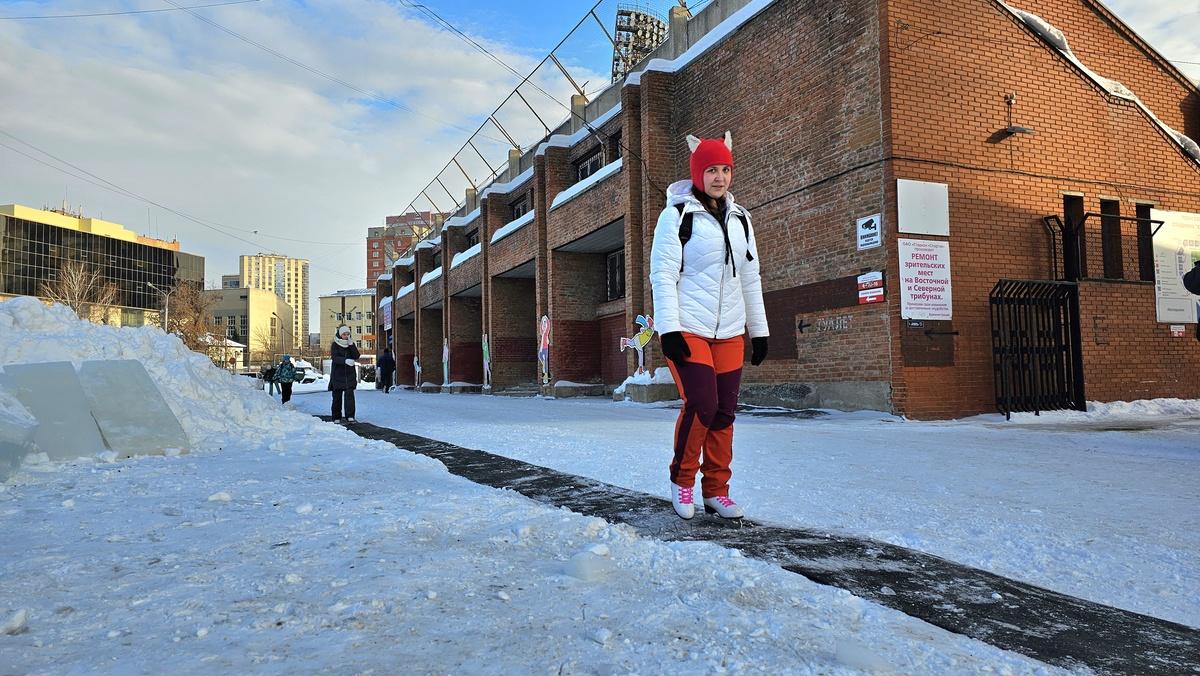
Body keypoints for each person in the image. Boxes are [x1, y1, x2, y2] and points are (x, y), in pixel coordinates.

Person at [649, 131, 769, 521]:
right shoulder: (676, 216)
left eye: (725, 169)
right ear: (698, 173)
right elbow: (662, 275)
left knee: (725, 412)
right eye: (712, 170)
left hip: (730, 331)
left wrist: (759, 329)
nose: (719, 177)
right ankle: (682, 481)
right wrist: (668, 329)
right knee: (702, 404)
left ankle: (716, 490)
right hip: (688, 327)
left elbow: (749, 278)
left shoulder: (741, 219)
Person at [330, 325, 360, 422]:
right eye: (344, 334)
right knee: (337, 398)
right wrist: (345, 360)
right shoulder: (335, 344)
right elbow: (335, 358)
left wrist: (352, 345)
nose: (346, 336)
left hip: (349, 375)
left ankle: (350, 416)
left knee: (350, 398)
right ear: (340, 334)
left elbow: (356, 355)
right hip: (338, 375)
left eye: (348, 334)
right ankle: (336, 417)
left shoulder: (350, 344)